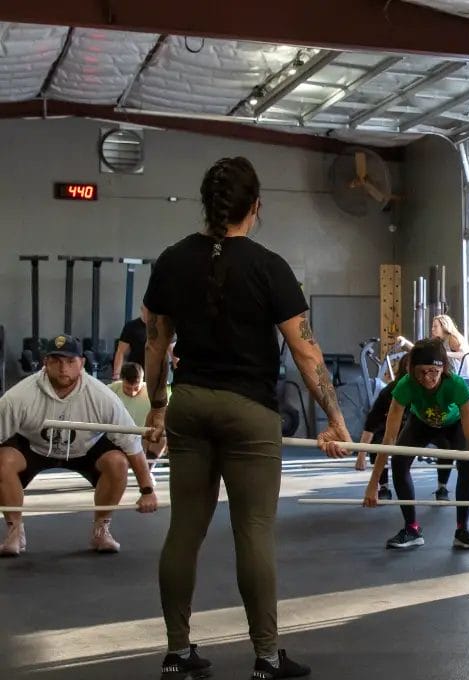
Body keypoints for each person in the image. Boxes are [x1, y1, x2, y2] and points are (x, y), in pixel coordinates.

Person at [144, 156, 351, 680]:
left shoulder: (171, 260)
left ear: (208, 207)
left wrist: (157, 405)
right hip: (248, 412)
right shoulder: (268, 265)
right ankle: (265, 657)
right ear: (255, 206)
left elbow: (155, 343)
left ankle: (176, 652)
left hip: (189, 404)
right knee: (253, 530)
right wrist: (335, 420)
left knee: (184, 529)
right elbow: (307, 354)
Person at [0, 334, 158, 557]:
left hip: (86, 447)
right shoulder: (19, 396)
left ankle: (101, 529)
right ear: (45, 363)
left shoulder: (101, 396)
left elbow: (131, 443)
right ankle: (14, 531)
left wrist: (147, 490)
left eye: (70, 361)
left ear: (81, 363)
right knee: (3, 460)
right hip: (34, 445)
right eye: (56, 361)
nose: (63, 368)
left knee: (117, 462)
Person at [364, 338, 469, 550]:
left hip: (452, 426)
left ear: (443, 369)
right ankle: (411, 529)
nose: (427, 378)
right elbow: (388, 440)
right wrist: (373, 485)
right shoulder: (405, 386)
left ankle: (462, 530)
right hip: (420, 424)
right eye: (421, 372)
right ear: (412, 370)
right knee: (399, 462)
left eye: (433, 372)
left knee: (466, 462)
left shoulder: (456, 385)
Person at [429, 314, 469, 500]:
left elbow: (462, 354)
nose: (433, 329)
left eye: (435, 326)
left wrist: (445, 354)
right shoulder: (441, 341)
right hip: (459, 376)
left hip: (467, 377)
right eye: (432, 326)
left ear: (444, 326)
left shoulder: (452, 338)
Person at [355, 356, 408, 500]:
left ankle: (442, 487)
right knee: (379, 443)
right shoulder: (388, 393)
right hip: (387, 430)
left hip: (410, 429)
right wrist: (361, 456)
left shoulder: (424, 393)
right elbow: (370, 425)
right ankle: (383, 486)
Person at [109, 362, 167, 462]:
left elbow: (163, 414)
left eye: (136, 388)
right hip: (118, 438)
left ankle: (148, 469)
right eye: (128, 388)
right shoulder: (111, 390)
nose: (132, 392)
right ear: (122, 380)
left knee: (162, 439)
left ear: (142, 381)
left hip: (143, 438)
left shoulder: (152, 392)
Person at [112, 308, 147, 381]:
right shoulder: (131, 326)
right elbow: (121, 351)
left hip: (156, 372)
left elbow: (172, 351)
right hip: (134, 371)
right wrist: (116, 374)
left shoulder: (161, 326)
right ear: (142, 309)